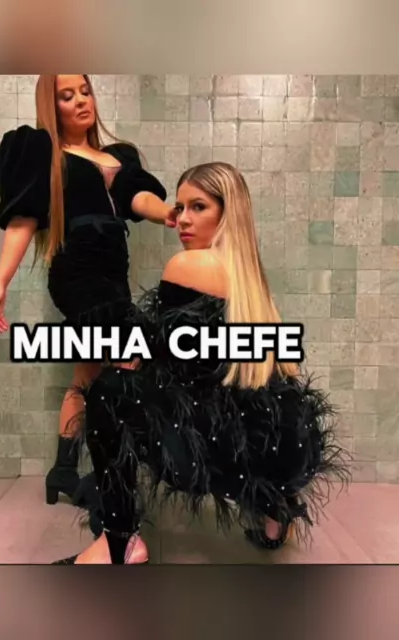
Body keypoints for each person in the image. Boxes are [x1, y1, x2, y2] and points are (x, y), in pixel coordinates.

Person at [53, 161, 350, 564]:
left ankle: (118, 542)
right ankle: (274, 512)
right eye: (179, 208)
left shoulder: (188, 265)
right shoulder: (251, 281)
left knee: (108, 390)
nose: (183, 220)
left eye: (198, 207)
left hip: (210, 449)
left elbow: (159, 357)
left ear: (227, 214)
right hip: (272, 449)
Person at [0, 75, 174, 510]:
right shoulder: (43, 152)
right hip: (77, 273)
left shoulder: (118, 155)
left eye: (84, 91)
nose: (80, 101)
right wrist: (0, 283)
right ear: (51, 107)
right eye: (66, 96)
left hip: (113, 274)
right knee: (128, 361)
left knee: (86, 374)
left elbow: (138, 197)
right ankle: (115, 476)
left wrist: (170, 212)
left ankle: (63, 471)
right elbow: (23, 220)